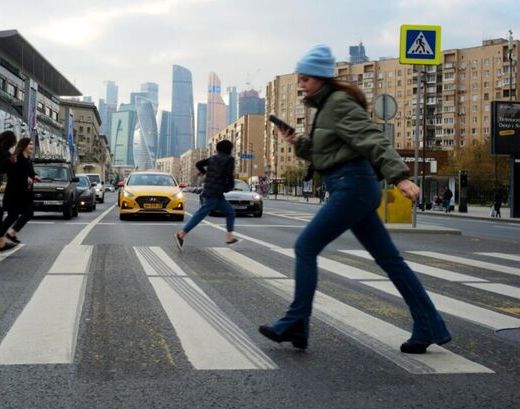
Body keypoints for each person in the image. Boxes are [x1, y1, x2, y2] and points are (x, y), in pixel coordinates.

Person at [258, 45, 450, 354]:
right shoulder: (326, 108)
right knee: (390, 260)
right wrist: (299, 142)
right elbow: (329, 153)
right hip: (352, 185)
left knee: (305, 246)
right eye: (300, 79)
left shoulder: (337, 104)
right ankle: (430, 324)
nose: (301, 84)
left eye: (306, 78)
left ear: (321, 77)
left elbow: (371, 138)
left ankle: (296, 321)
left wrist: (399, 176)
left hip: (353, 185)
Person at [174, 139, 239, 251]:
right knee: (200, 214)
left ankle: (229, 237)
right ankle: (181, 234)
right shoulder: (229, 159)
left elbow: (198, 164)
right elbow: (229, 175)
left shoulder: (213, 158)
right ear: (229, 149)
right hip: (215, 192)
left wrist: (204, 172)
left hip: (211, 191)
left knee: (230, 212)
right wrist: (230, 187)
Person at [2, 137, 38, 243]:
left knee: (14, 215)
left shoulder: (28, 159)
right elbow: (11, 172)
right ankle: (10, 233)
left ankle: (2, 235)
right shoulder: (17, 157)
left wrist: (34, 176)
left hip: (23, 191)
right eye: (29, 144)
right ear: (23, 145)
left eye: (32, 144)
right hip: (15, 191)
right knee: (25, 213)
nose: (32, 146)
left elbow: (30, 173)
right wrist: (25, 178)